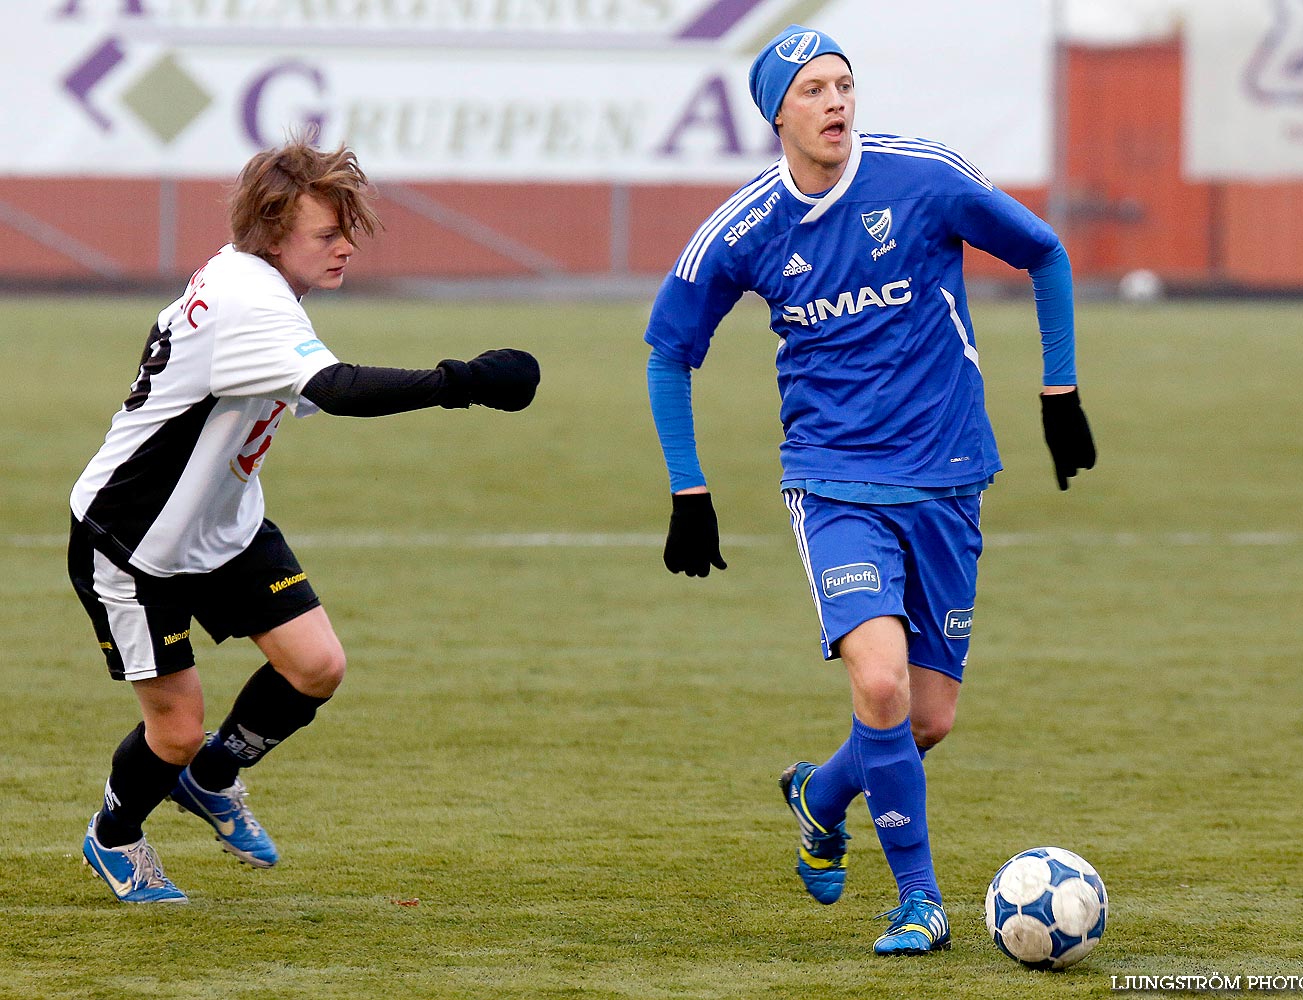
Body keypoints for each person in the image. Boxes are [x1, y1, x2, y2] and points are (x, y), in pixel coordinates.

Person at [644, 26, 1095, 954]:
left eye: (844, 85)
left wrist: (1060, 391)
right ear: (777, 112)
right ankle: (918, 901)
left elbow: (1044, 250)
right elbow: (668, 352)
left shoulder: (921, 179)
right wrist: (690, 491)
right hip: (835, 482)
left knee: (926, 719)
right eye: (813, 90)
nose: (837, 103)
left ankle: (820, 793)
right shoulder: (744, 229)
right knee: (880, 679)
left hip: (949, 475)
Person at [69, 136, 540, 903]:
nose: (345, 244)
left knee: (316, 665)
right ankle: (114, 834)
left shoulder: (255, 286)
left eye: (347, 226)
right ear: (271, 231)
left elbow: (305, 387)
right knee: (176, 728)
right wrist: (463, 382)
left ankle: (212, 780)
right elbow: (340, 387)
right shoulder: (247, 296)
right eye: (328, 232)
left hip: (222, 526)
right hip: (133, 542)